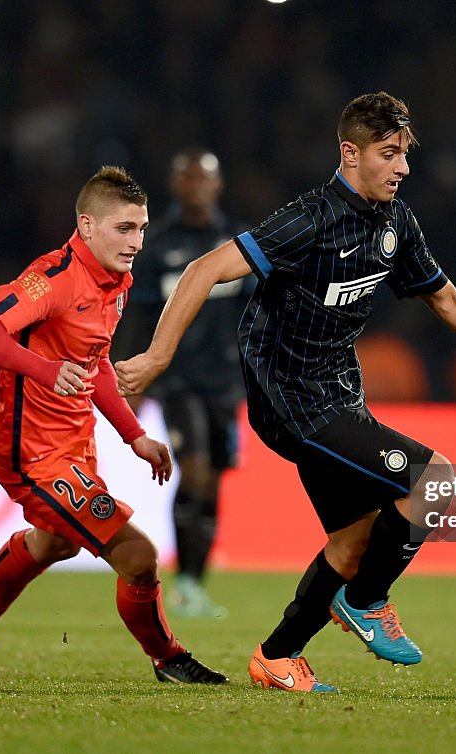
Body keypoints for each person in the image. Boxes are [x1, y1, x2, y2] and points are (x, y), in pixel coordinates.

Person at [115, 93, 456, 693]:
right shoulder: (310, 219)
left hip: (338, 394)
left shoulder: (396, 222)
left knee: (354, 539)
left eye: (405, 154)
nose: (402, 167)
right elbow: (202, 270)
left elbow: (445, 297)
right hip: (291, 401)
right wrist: (159, 355)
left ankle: (278, 656)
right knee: (435, 480)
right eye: (389, 153)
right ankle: (368, 601)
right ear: (350, 153)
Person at [0, 166, 227, 685]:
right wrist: (45, 369)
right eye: (124, 228)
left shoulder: (117, 282)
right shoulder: (51, 278)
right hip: (32, 455)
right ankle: (169, 658)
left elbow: (96, 368)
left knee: (55, 543)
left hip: (75, 446)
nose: (136, 241)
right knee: (139, 557)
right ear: (87, 225)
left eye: (140, 228)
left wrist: (133, 434)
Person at [123, 149, 251, 618]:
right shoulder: (156, 246)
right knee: (194, 468)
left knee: (213, 480)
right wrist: (133, 378)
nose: (196, 186)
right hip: (177, 380)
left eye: (205, 179)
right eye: (188, 179)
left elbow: (257, 312)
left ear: (218, 185)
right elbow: (137, 314)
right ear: (176, 186)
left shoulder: (237, 241)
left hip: (227, 382)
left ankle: (196, 583)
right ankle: (184, 584)